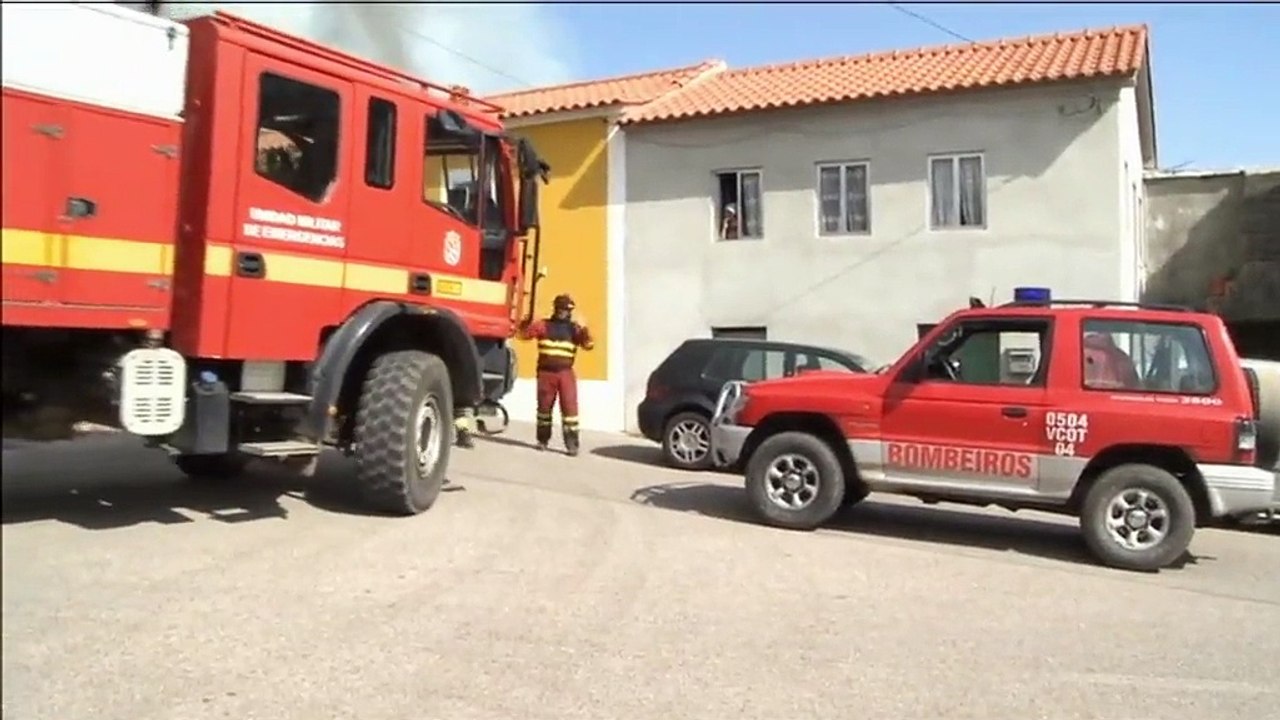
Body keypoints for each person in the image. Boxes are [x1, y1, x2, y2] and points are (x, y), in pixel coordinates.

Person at [518, 293, 593, 455]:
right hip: (546, 373)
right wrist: (526, 321)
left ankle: (572, 445)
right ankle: (542, 440)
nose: (563, 312)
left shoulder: (574, 329)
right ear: (555, 309)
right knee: (544, 409)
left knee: (570, 410)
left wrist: (584, 329)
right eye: (561, 309)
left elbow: (588, 345)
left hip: (565, 373)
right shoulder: (543, 325)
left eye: (566, 310)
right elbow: (523, 335)